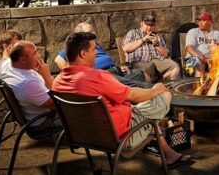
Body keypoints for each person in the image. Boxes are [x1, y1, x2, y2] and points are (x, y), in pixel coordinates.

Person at [52, 32, 191, 168]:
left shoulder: (57, 82)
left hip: (86, 136)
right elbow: (133, 96)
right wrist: (156, 90)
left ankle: (171, 156)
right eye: (94, 49)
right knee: (164, 95)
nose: (96, 53)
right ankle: (170, 154)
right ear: (83, 54)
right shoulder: (97, 77)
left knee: (146, 116)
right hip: (121, 136)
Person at [55, 22, 151, 88]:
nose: (94, 33)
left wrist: (119, 66)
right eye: (90, 31)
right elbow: (58, 59)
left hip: (114, 70)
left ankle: (140, 97)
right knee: (137, 85)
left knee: (140, 74)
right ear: (80, 35)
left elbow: (106, 59)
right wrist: (72, 74)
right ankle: (150, 91)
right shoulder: (77, 47)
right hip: (103, 74)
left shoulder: (95, 45)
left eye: (93, 30)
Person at [0, 41, 62, 133]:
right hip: (45, 121)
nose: (39, 55)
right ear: (23, 60)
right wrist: (46, 75)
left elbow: (4, 59)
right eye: (35, 52)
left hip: (34, 114)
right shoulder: (27, 83)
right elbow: (56, 104)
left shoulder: (6, 65)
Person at [122, 14, 180, 82]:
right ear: (141, 24)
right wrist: (143, 39)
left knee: (176, 67)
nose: (149, 28)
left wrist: (157, 44)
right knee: (145, 71)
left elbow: (166, 54)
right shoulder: (133, 33)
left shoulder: (158, 36)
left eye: (152, 25)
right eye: (147, 25)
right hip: (140, 61)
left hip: (158, 61)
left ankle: (169, 87)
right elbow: (126, 48)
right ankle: (151, 90)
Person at [185, 12, 219, 77]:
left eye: (203, 20)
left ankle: (218, 86)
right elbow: (189, 48)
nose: (200, 22)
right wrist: (199, 57)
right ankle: (199, 86)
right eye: (199, 20)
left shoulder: (217, 34)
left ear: (209, 22)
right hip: (193, 59)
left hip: (212, 59)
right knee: (200, 65)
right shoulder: (193, 32)